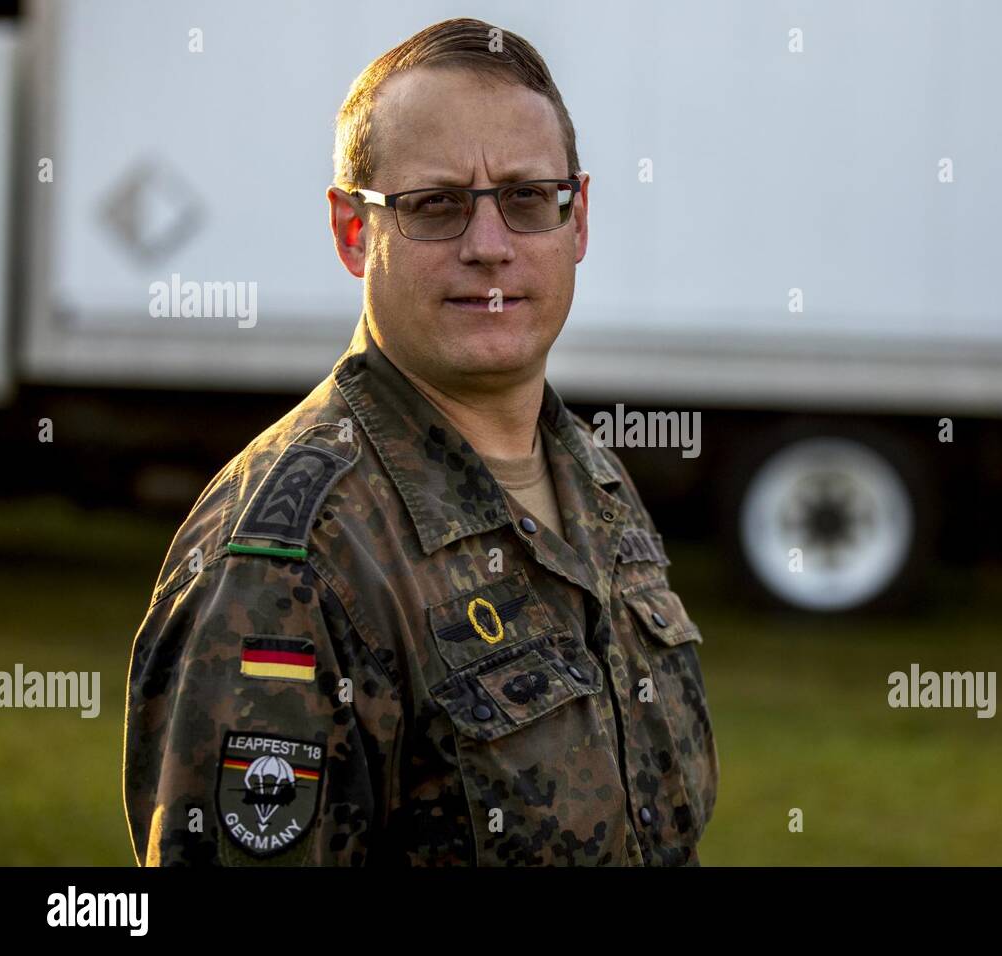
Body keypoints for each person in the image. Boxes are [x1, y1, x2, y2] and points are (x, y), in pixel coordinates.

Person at [122, 17, 718, 866]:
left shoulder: (594, 479)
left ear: (576, 220)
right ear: (353, 232)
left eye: (525, 198)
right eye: (435, 206)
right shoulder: (290, 562)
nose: (489, 247)